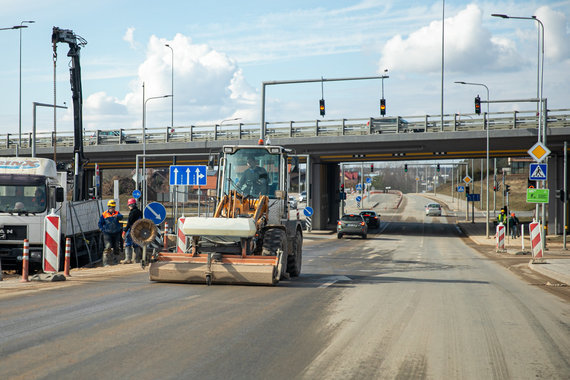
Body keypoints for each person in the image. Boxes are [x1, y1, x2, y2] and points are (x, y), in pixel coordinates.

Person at [98, 200, 123, 266]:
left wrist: (117, 216)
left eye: (114, 207)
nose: (113, 209)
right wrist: (102, 229)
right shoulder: (104, 214)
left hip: (116, 233)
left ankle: (116, 261)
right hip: (107, 233)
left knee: (116, 247)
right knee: (108, 246)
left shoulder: (117, 213)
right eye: (112, 207)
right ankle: (105, 263)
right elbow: (100, 223)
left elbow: (121, 217)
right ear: (109, 207)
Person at [120, 198, 142, 264]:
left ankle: (128, 259)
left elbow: (129, 223)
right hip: (138, 230)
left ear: (130, 205)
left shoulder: (132, 213)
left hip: (131, 230)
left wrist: (125, 231)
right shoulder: (140, 212)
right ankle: (135, 260)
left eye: (129, 205)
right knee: (136, 244)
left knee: (128, 244)